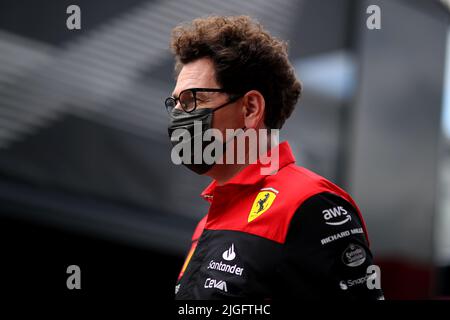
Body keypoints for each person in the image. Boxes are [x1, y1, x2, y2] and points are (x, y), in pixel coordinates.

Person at [165, 15, 384, 300]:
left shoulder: (312, 206)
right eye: (177, 104)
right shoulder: (207, 221)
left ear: (250, 108)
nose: (180, 117)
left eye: (194, 100)